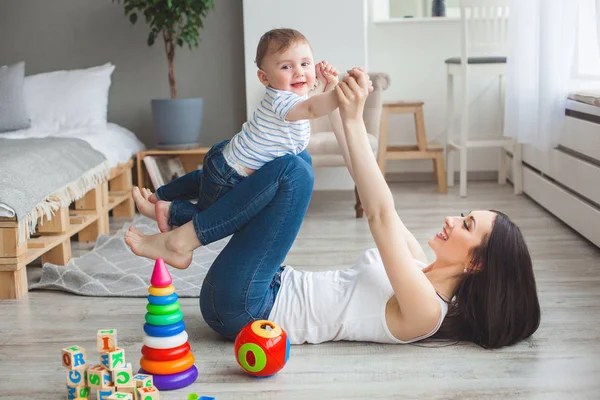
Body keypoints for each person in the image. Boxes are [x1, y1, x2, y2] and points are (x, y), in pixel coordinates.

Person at [125, 69, 541, 349]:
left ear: (478, 264)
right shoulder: (419, 265)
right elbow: (367, 184)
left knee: (292, 169)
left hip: (245, 309)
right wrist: (338, 104)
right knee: (296, 162)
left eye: (467, 225)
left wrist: (357, 119)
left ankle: (182, 236)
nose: (453, 219)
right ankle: (178, 218)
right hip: (261, 287)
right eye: (463, 215)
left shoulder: (427, 311)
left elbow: (379, 212)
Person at [133, 28, 340, 233]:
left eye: (305, 64)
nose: (299, 72)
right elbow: (313, 108)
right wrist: (340, 94)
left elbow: (313, 102)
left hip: (226, 159)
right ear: (264, 78)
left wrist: (327, 84)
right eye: (286, 66)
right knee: (214, 216)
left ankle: (160, 195)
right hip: (231, 175)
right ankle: (168, 211)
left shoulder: (294, 94)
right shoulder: (281, 100)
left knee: (203, 179)